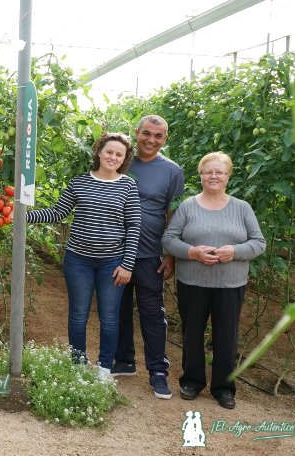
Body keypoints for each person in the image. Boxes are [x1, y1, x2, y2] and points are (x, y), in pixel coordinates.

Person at [26, 133, 141, 379]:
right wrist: (24, 216)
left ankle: (104, 369)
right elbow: (57, 213)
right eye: (109, 152)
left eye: (119, 155)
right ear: (99, 152)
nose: (113, 157)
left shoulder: (128, 186)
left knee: (110, 317)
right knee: (78, 314)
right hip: (78, 260)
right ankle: (78, 364)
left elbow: (133, 227)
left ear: (124, 159)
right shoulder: (79, 182)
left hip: (112, 262)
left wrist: (127, 264)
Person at [162, 151, 265, 409]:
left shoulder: (242, 208)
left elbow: (258, 243)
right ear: (201, 175)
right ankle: (192, 381)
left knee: (226, 337)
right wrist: (192, 252)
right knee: (192, 334)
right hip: (192, 282)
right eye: (208, 171)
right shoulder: (188, 206)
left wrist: (235, 252)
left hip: (230, 284)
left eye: (219, 172)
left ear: (228, 176)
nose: (213, 176)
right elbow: (169, 239)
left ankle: (223, 388)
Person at [112, 115, 185, 400]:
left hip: (149, 252)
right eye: (146, 134)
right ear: (136, 133)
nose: (151, 140)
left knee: (152, 312)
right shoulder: (121, 161)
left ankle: (157, 371)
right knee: (117, 307)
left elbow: (174, 215)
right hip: (115, 249)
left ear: (165, 138)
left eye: (158, 135)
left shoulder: (171, 171)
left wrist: (171, 254)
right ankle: (124, 360)